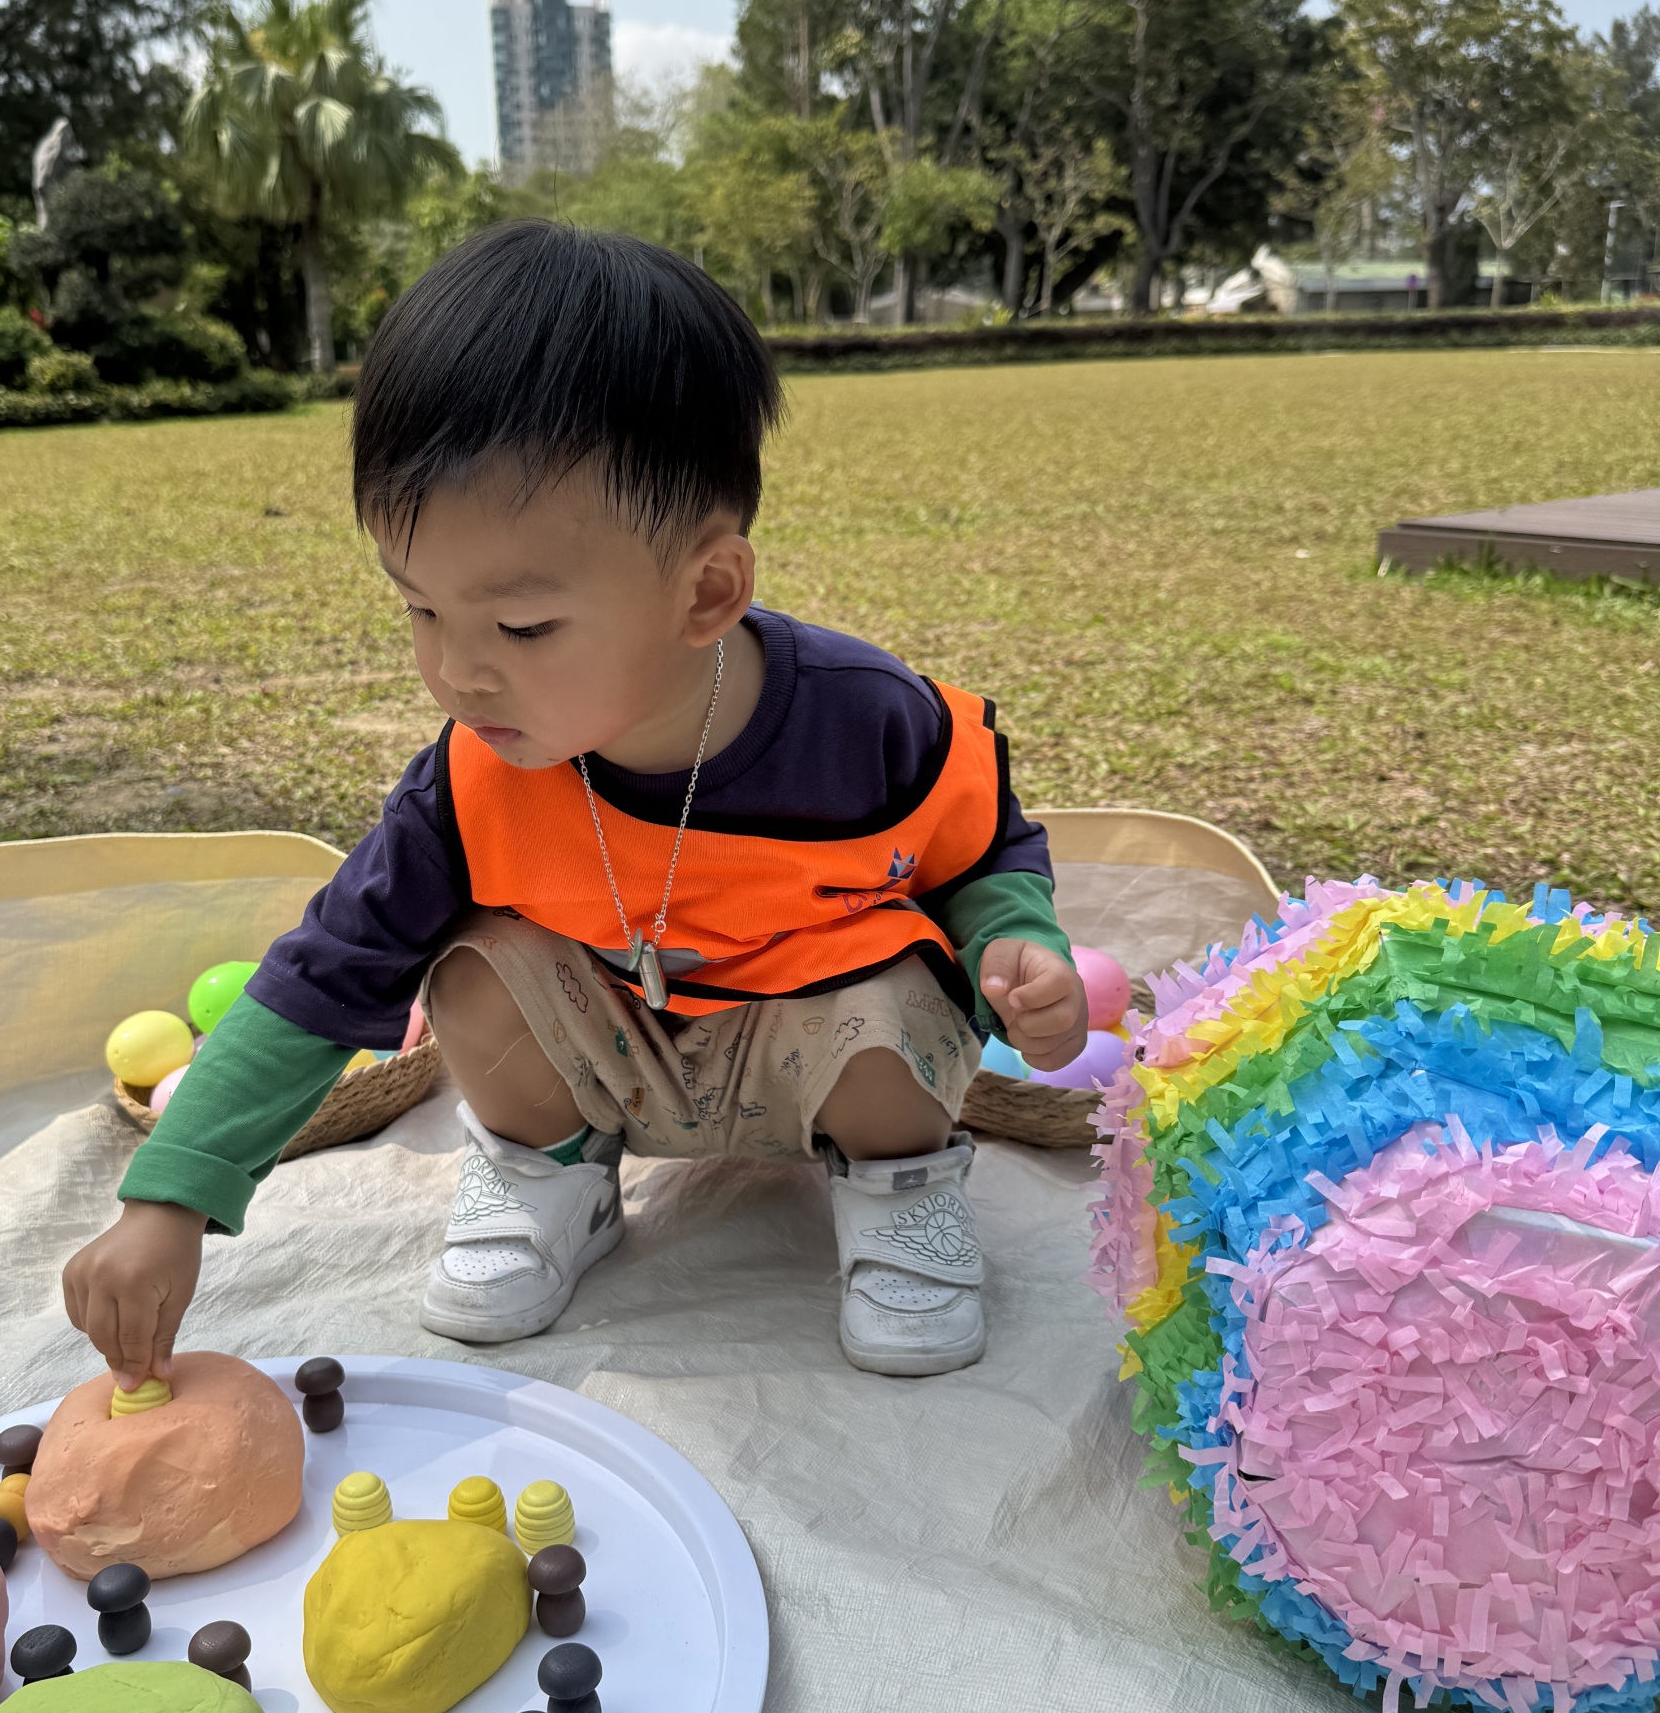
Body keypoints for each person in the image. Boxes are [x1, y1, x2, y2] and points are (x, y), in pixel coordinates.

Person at [61, 222, 1087, 1389]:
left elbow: (983, 852)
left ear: (706, 591)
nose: (459, 672)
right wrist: (169, 1201)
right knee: (468, 960)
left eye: (522, 625)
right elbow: (325, 972)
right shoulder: (472, 778)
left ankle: (898, 1190)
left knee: (897, 994)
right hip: (610, 1065)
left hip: (818, 1059)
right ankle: (551, 1178)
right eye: (421, 609)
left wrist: (1018, 944)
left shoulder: (868, 722)